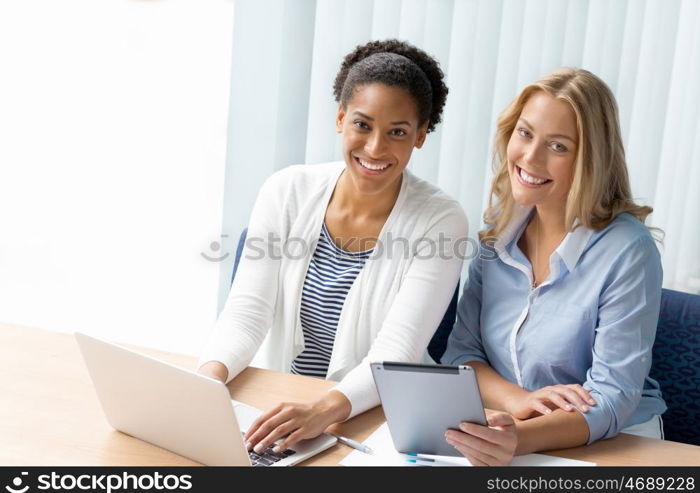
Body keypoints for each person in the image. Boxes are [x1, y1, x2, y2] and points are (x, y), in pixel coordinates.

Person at [197, 39, 467, 455]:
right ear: (340, 118)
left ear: (421, 136)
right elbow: (246, 314)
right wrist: (205, 384)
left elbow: (396, 354)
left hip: (379, 423)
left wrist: (322, 410)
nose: (375, 148)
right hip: (286, 409)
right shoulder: (286, 190)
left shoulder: (442, 221)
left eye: (397, 132)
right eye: (362, 124)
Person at [441, 67, 667, 466]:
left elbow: (613, 397)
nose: (530, 157)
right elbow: (462, 357)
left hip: (614, 442)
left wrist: (521, 438)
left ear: (590, 160)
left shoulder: (628, 250)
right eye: (525, 134)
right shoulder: (498, 236)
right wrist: (521, 403)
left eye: (558, 147)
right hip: (512, 429)